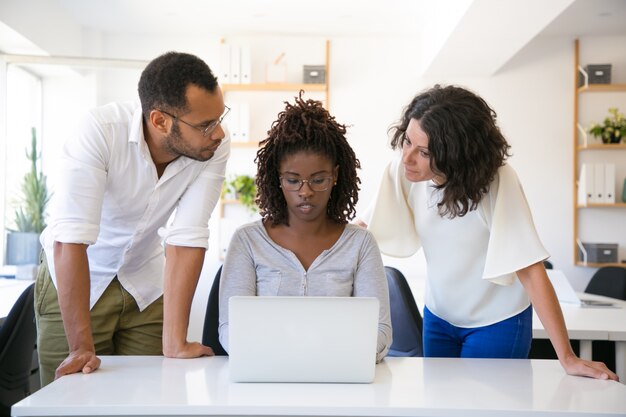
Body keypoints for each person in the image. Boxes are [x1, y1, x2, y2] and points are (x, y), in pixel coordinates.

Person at [358, 84, 618, 380]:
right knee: (440, 408)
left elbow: (530, 268)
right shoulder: (404, 172)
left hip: (497, 322)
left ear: (455, 154)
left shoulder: (497, 180)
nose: (407, 158)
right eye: (407, 141)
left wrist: (568, 358)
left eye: (424, 152)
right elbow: (363, 229)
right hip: (439, 317)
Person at [35, 51, 230, 386]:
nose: (219, 133)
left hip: (144, 281)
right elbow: (71, 240)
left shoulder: (210, 148)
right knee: (72, 397)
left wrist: (175, 342)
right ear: (159, 121)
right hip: (79, 276)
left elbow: (188, 236)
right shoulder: (99, 131)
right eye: (205, 125)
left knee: (150, 396)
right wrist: (81, 346)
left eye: (219, 118)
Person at [218, 94, 392, 362]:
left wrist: (324, 358)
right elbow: (230, 329)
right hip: (267, 374)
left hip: (340, 376)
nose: (305, 192)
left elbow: (380, 333)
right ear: (278, 178)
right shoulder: (247, 242)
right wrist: (287, 357)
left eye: (318, 179)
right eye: (293, 180)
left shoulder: (361, 245)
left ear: (335, 176)